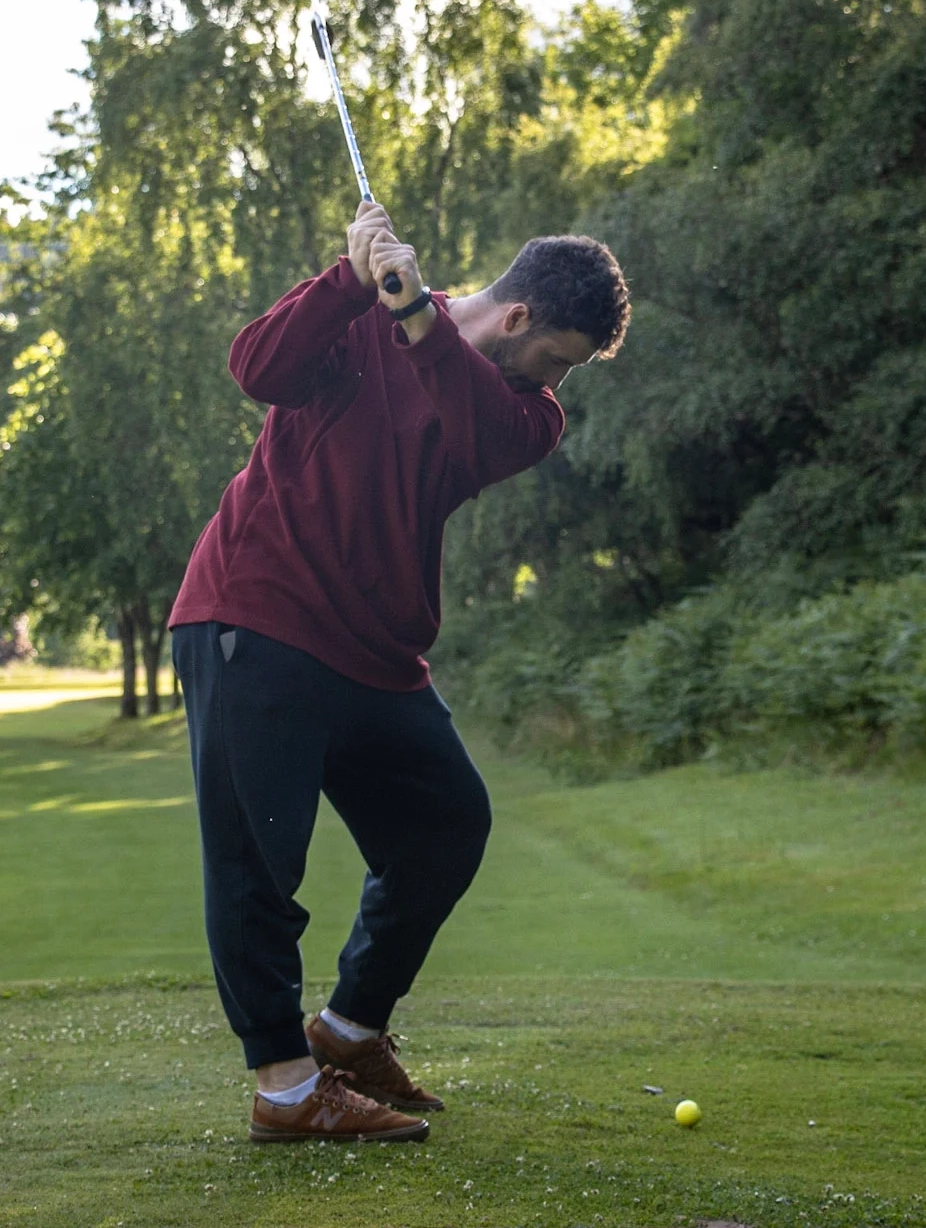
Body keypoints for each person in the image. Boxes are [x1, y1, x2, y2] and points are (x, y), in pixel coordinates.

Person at [168, 200, 630, 1143]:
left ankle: (347, 1029)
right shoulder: (362, 314)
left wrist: (415, 314)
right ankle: (289, 1090)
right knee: (258, 861)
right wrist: (349, 279)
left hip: (376, 652)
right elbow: (255, 367)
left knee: (447, 821)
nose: (558, 379)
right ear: (519, 319)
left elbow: (464, 417)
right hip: (257, 613)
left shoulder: (527, 417)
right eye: (559, 356)